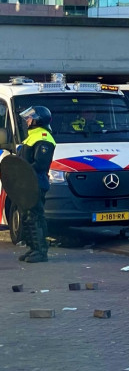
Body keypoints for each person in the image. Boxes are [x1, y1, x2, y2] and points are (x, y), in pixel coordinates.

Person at [16, 106, 55, 263]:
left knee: (35, 216)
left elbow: (40, 164)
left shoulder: (43, 137)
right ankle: (33, 248)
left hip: (36, 183)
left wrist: (23, 174)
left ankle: (41, 251)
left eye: (30, 118)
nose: (27, 120)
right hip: (27, 183)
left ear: (38, 120)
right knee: (26, 217)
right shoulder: (32, 137)